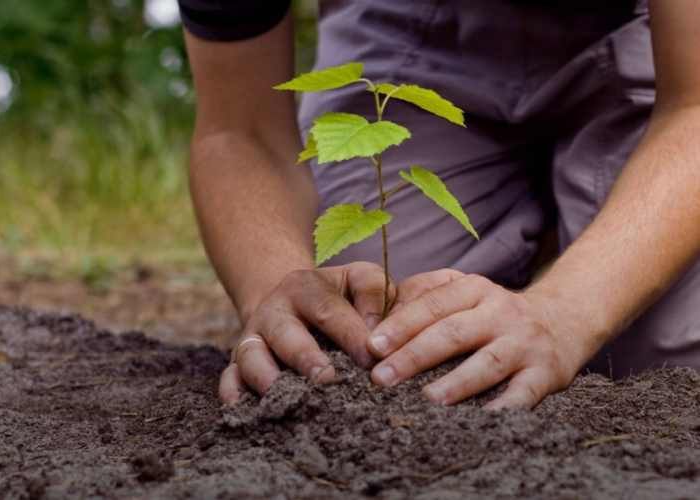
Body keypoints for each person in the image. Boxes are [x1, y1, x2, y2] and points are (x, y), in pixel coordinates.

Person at [179, 0, 700, 409]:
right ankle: (541, 209)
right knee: (376, 329)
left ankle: (565, 219)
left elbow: (694, 105)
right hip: (410, 23)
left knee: (665, 353)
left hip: (653, 31)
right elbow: (238, 129)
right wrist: (274, 288)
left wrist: (566, 311)